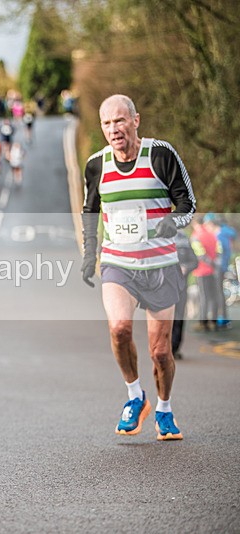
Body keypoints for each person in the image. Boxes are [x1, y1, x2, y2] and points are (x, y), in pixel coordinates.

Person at [81, 94, 196, 441]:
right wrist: (90, 254)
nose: (113, 129)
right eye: (106, 123)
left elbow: (187, 204)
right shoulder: (96, 165)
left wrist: (172, 223)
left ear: (135, 120)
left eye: (119, 121)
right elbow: (89, 211)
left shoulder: (160, 155)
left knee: (160, 352)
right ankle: (135, 396)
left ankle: (163, 408)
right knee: (118, 328)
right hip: (118, 264)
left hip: (160, 264)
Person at [190, 215, 222, 332]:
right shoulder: (212, 234)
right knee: (214, 296)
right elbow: (219, 250)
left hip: (202, 271)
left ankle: (203, 323)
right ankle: (214, 322)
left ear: (195, 224)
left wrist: (209, 263)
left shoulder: (196, 236)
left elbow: (200, 255)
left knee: (204, 297)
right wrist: (214, 264)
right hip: (213, 271)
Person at [171, 230, 198, 359]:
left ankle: (174, 348)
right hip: (163, 288)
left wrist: (186, 267)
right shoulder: (157, 236)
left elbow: (195, 261)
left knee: (179, 317)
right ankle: (163, 347)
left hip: (181, 288)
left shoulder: (183, 239)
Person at [207, 213, 236, 327]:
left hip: (218, 268)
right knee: (220, 292)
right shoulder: (225, 233)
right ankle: (222, 317)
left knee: (218, 293)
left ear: (213, 224)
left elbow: (219, 253)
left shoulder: (219, 235)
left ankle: (222, 317)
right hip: (223, 266)